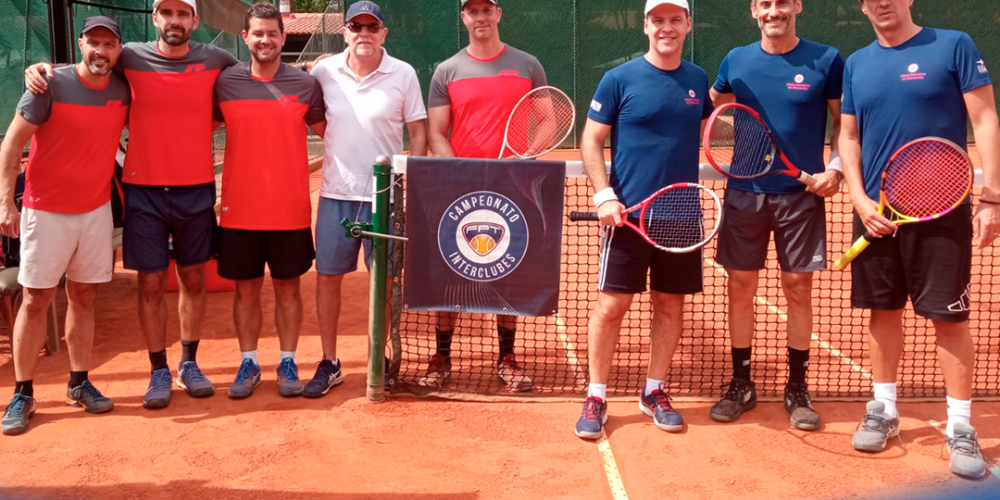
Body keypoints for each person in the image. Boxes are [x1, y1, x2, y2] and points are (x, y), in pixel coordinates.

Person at [25, 0, 243, 409]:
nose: (175, 21)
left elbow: (255, 74)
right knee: (151, 283)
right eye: (167, 13)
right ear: (155, 18)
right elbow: (91, 63)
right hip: (144, 191)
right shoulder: (129, 56)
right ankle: (158, 369)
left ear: (194, 20)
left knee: (193, 279)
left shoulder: (216, 58)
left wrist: (310, 67)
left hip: (196, 188)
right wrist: (42, 69)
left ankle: (189, 364)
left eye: (183, 14)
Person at [841, 0, 1000, 479]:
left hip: (942, 210)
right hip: (877, 213)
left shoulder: (953, 46)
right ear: (862, 5)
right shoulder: (857, 63)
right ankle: (884, 410)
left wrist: (992, 197)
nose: (882, 3)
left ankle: (960, 426)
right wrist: (859, 200)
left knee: (949, 320)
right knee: (883, 312)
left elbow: (985, 118)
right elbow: (848, 137)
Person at [574, 0, 713, 439]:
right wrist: (604, 196)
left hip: (682, 216)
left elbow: (709, 128)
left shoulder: (697, 79)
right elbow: (591, 140)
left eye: (675, 20)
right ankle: (596, 395)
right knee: (611, 307)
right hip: (628, 217)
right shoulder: (618, 79)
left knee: (670, 306)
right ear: (646, 26)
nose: (666, 27)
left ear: (688, 25)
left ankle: (654, 391)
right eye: (658, 20)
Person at [707, 0, 844, 431]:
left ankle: (797, 387)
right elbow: (713, 111)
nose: (773, 11)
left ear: (796, 6)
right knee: (740, 288)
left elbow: (844, 122)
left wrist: (836, 168)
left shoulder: (827, 59)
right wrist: (745, 137)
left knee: (798, 289)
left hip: (800, 198)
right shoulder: (736, 60)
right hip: (744, 192)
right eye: (764, 4)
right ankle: (741, 383)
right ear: (753, 10)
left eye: (782, 2)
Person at [0, 17, 129, 435]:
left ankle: (79, 382)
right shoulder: (48, 85)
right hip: (45, 211)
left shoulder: (123, 89)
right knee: (36, 299)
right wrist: (5, 204)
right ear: (79, 44)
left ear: (119, 50)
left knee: (84, 296)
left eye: (109, 44)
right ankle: (22, 393)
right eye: (93, 42)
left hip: (95, 211)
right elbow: (12, 144)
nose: (100, 51)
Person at [304, 0, 427, 398]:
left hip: (385, 198)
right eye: (356, 26)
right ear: (345, 32)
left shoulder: (403, 73)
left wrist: (410, 180)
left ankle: (380, 358)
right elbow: (317, 119)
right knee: (327, 279)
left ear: (383, 33)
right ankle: (329, 362)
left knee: (385, 282)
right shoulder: (324, 71)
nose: (364, 33)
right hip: (336, 196)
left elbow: (418, 132)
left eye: (372, 27)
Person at [424, 0, 545, 392]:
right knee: (452, 272)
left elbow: (547, 120)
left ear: (498, 14)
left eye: (486, 9)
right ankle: (442, 356)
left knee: (506, 270)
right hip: (460, 189)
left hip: (513, 187)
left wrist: (523, 157)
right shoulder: (446, 70)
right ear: (463, 17)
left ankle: (507, 357)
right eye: (472, 11)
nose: (480, 17)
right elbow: (436, 132)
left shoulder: (528, 65)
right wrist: (459, 171)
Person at [213, 3, 326, 399]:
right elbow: (193, 122)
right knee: (245, 291)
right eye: (258, 33)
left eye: (272, 33)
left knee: (288, 289)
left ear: (283, 37)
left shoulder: (305, 85)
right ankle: (248, 362)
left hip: (289, 211)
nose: (265, 40)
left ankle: (288, 361)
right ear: (245, 37)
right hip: (238, 211)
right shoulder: (225, 82)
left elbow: (333, 130)